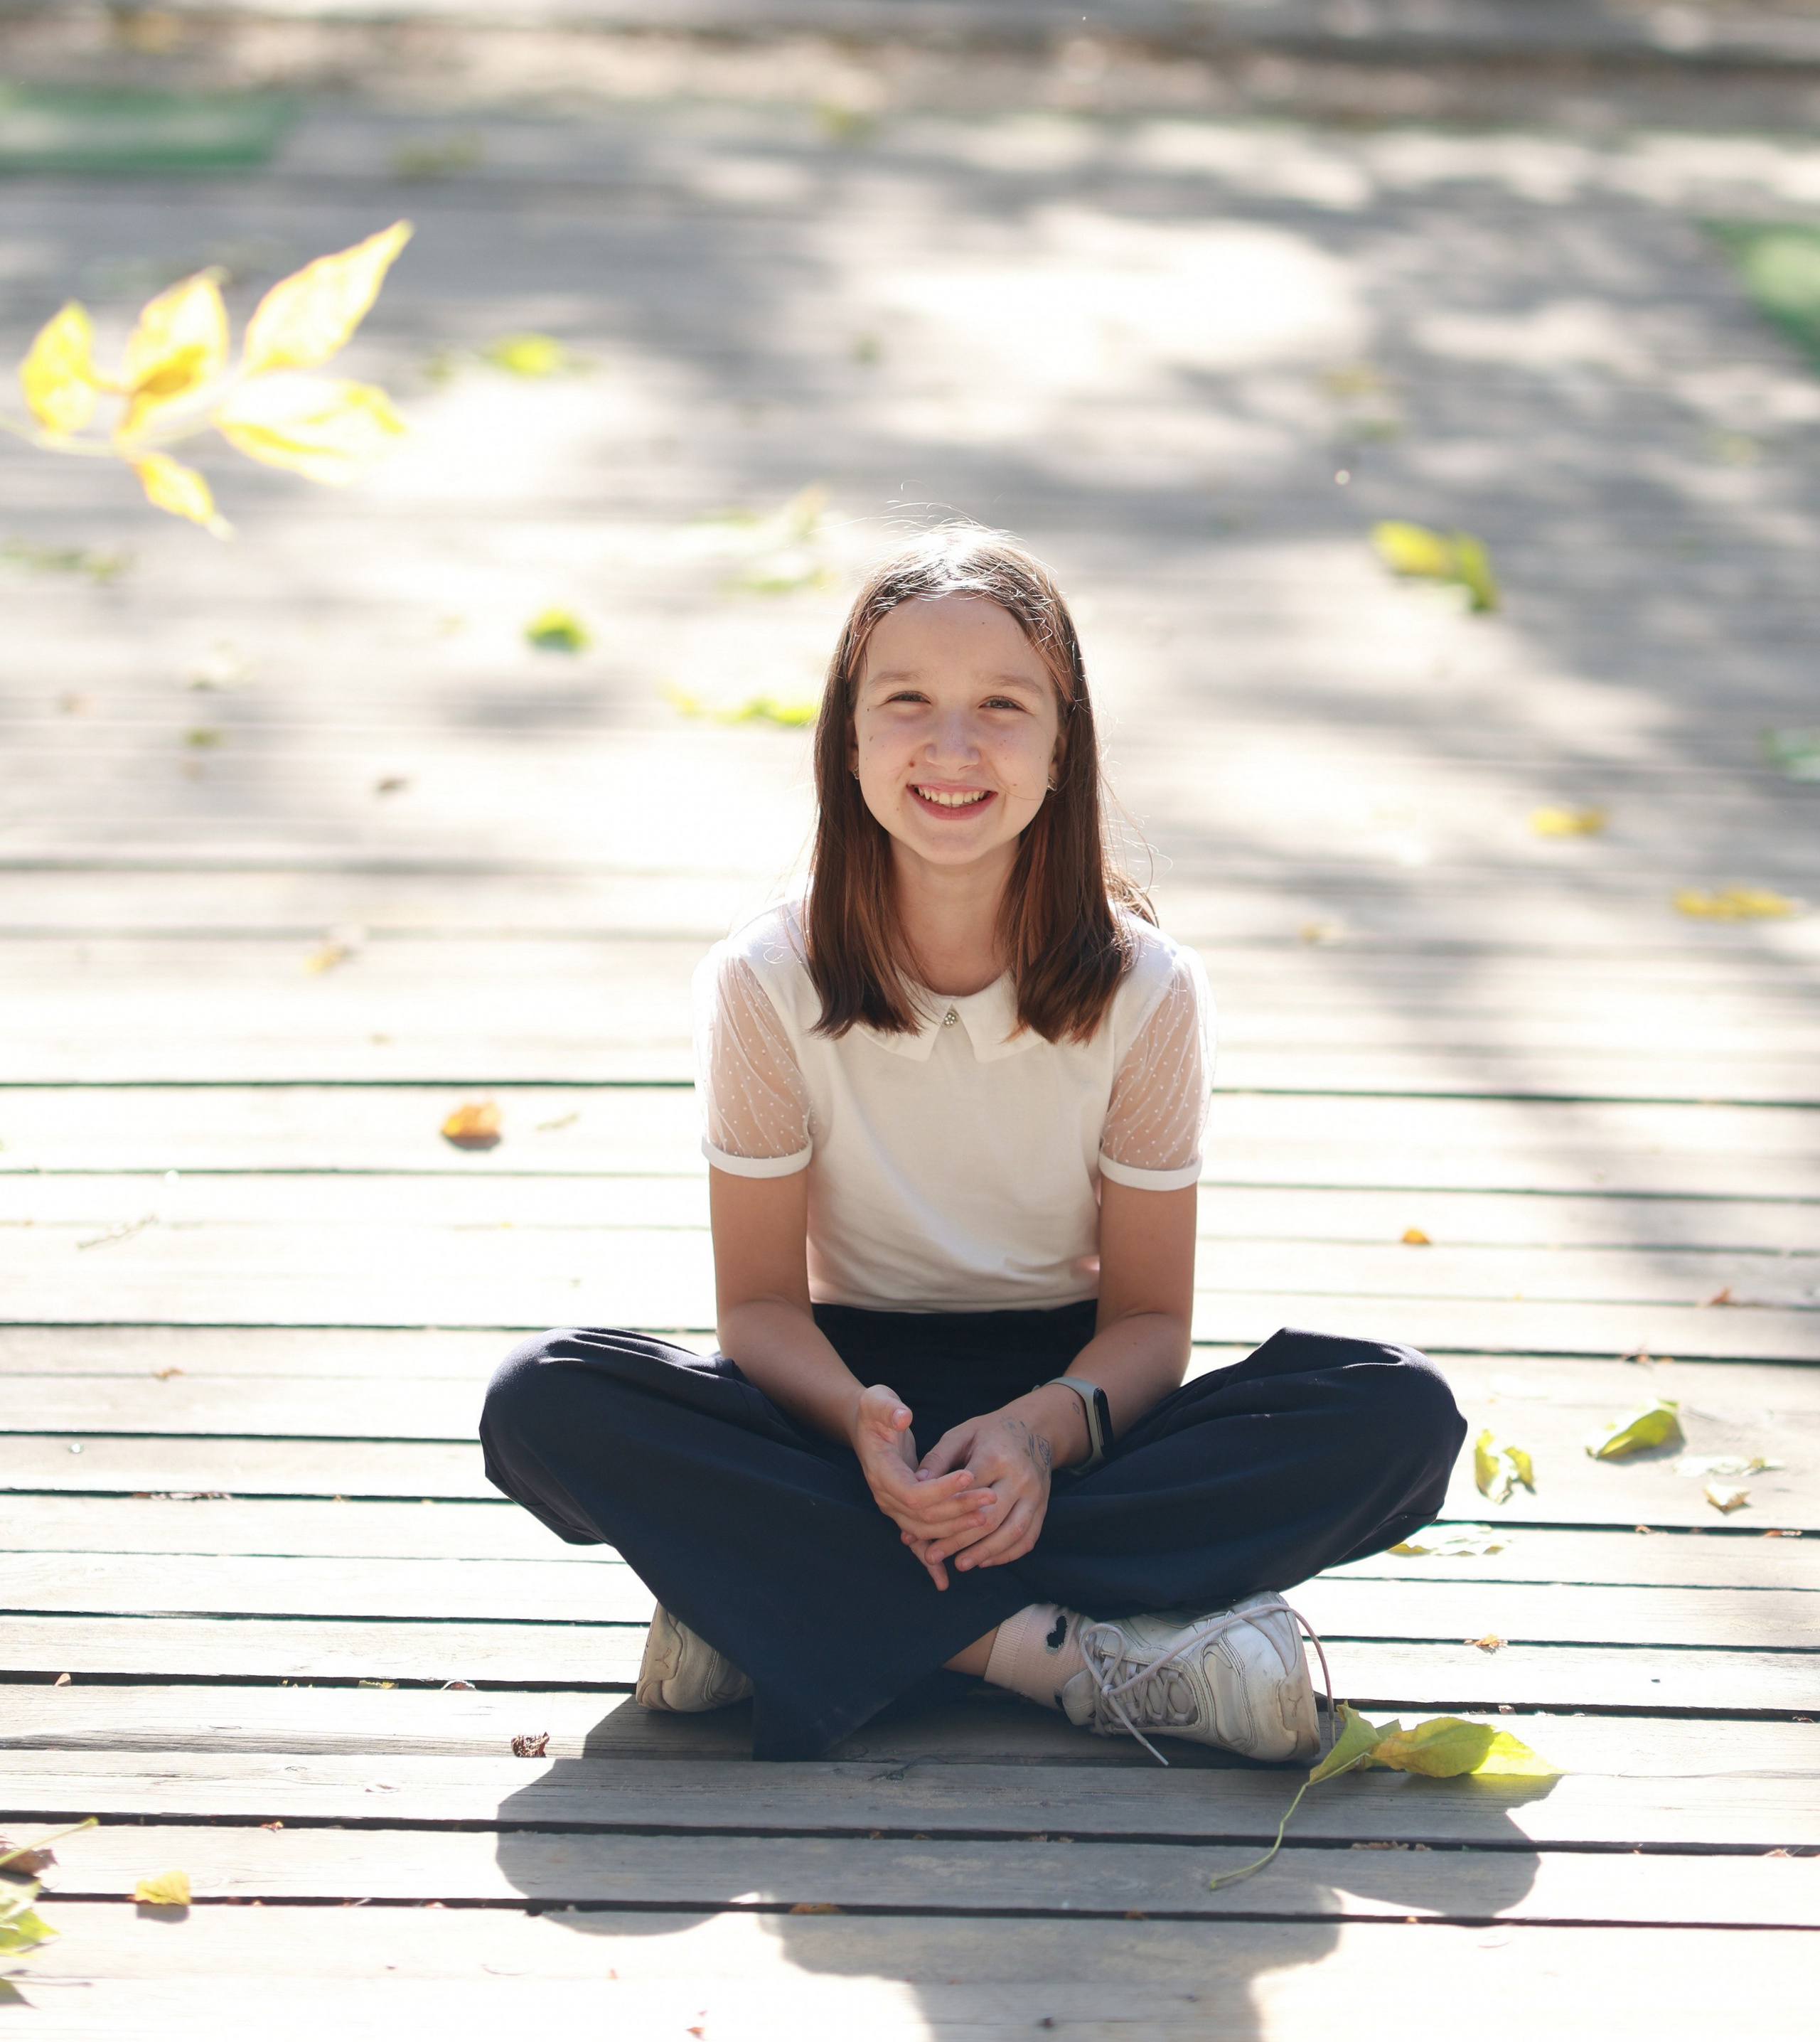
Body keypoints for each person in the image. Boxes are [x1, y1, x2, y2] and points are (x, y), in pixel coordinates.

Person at [481, 528, 1466, 1764]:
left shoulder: (1147, 989)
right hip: (841, 1411)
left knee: (1397, 1414)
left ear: (1065, 745)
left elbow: (1154, 1325)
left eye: (1002, 706)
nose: (952, 750)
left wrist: (1034, 1440)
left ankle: (773, 1600)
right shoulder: (764, 980)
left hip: (1066, 1411)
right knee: (545, 1402)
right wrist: (863, 1435)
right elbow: (760, 1313)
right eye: (907, 705)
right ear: (850, 738)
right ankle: (1063, 1658)